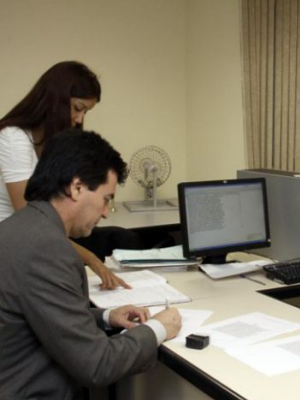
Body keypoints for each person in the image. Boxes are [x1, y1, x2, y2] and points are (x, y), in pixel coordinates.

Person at [0, 129, 182, 400]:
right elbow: (97, 364)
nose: (107, 212)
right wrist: (157, 328)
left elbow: (40, 316)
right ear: (76, 187)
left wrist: (106, 317)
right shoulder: (48, 249)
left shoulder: (17, 228)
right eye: (106, 199)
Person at [0, 61, 142, 289]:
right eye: (78, 108)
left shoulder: (51, 142)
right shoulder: (13, 137)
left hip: (45, 233)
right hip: (17, 243)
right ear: (54, 100)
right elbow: (31, 220)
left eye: (85, 112)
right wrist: (91, 260)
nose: (79, 119)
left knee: (122, 237)